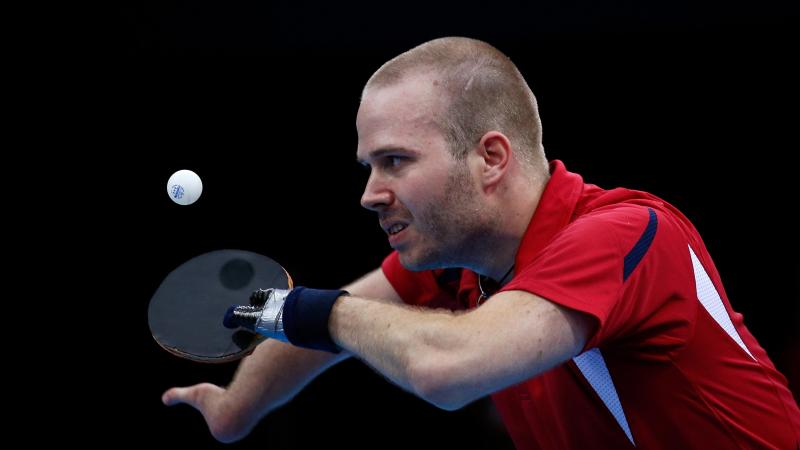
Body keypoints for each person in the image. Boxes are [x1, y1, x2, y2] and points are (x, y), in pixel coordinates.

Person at [162, 37, 800, 449]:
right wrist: (236, 408)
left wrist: (305, 310)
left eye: (394, 161)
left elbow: (447, 368)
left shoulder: (627, 234)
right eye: (368, 166)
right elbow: (320, 339)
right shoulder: (462, 261)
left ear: (490, 157)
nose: (369, 193)